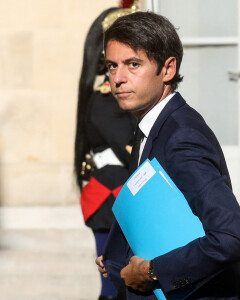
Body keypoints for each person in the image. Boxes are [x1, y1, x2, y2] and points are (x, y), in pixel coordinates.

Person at [96, 11, 240, 300]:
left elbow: (231, 237)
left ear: (168, 68)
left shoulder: (182, 137)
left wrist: (151, 271)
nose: (118, 78)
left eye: (133, 64)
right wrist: (119, 257)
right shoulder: (152, 125)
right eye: (112, 66)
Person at [74, 7, 136, 300]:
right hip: (113, 199)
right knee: (114, 286)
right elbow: (131, 151)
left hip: (122, 197)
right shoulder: (104, 101)